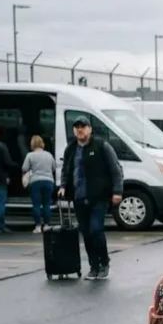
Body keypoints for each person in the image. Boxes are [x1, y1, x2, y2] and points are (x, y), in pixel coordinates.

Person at [58, 116, 123, 280]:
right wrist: (63, 186)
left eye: (83, 126)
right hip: (79, 197)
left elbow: (116, 169)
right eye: (77, 127)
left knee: (96, 230)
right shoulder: (71, 148)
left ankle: (104, 262)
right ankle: (93, 266)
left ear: (90, 129)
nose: (80, 130)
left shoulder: (101, 146)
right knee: (86, 232)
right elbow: (66, 169)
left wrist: (117, 191)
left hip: (98, 197)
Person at [20, 134, 56, 232]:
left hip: (35, 181)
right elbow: (54, 168)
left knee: (36, 204)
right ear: (42, 143)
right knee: (46, 204)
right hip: (48, 181)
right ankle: (47, 225)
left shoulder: (30, 155)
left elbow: (24, 168)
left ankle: (38, 226)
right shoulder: (49, 155)